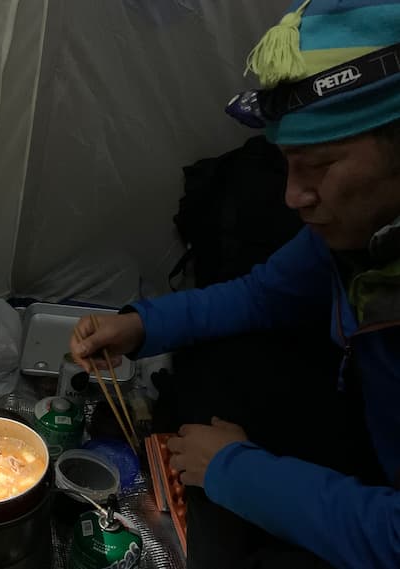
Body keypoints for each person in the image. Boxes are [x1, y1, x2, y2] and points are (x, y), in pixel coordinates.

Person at [72, 2, 400, 568]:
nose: (293, 197)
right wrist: (141, 325)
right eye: (287, 163)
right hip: (373, 426)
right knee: (212, 370)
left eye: (320, 165)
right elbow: (264, 295)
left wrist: (235, 471)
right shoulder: (359, 236)